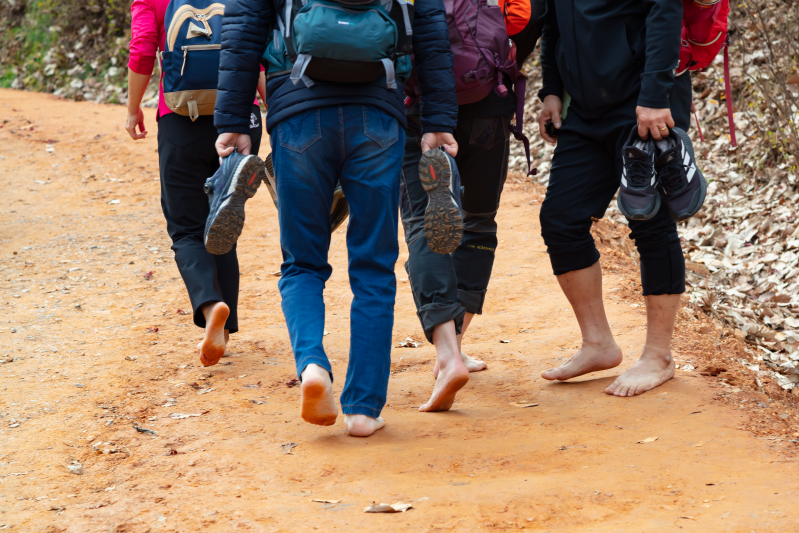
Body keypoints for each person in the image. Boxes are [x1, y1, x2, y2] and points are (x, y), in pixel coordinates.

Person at [213, 0, 457, 436]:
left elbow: (243, 27)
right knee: (374, 267)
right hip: (378, 113)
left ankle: (312, 365)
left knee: (302, 263)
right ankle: (363, 409)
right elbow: (433, 33)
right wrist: (439, 119)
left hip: (298, 111)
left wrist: (232, 120)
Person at [535, 0, 704, 397]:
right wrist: (551, 90)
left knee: (650, 220)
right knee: (560, 220)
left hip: (644, 101)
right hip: (585, 111)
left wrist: (655, 94)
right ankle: (598, 344)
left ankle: (658, 356)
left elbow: (665, 12)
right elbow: (553, 24)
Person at [401, 0, 544, 411]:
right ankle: (458, 345)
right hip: (488, 99)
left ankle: (446, 352)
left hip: (420, 109)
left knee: (424, 223)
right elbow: (529, 15)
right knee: (478, 220)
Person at [125, 0, 266, 367]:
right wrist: (274, 112)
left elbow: (142, 49)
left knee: (187, 229)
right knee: (223, 220)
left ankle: (210, 304)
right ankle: (225, 328)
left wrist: (132, 108)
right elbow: (260, 50)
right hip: (241, 117)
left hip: (180, 119)